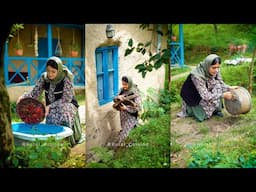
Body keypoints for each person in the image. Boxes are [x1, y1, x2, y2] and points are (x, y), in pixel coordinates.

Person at [16, 56, 85, 146]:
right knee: (51, 115)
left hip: (67, 104)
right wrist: (23, 97)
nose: (50, 74)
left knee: (63, 112)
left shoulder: (66, 79)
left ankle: (66, 142)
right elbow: (35, 93)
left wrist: (49, 106)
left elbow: (66, 99)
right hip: (50, 106)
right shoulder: (44, 78)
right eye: (48, 71)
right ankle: (53, 142)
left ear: (59, 70)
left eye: (53, 72)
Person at [177, 54, 236, 122]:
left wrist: (229, 88)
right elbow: (206, 96)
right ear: (207, 65)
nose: (216, 70)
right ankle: (194, 111)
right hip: (194, 96)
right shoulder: (197, 75)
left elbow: (220, 83)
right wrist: (223, 95)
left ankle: (216, 110)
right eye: (214, 68)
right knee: (205, 114)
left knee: (217, 85)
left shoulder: (216, 70)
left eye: (218, 67)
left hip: (206, 91)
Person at [113, 76, 141, 143]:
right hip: (123, 115)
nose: (124, 86)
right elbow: (115, 99)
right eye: (123, 84)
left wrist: (126, 108)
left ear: (130, 83)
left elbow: (138, 107)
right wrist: (117, 98)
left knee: (124, 134)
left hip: (131, 116)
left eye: (125, 84)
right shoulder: (122, 90)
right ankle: (133, 142)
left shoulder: (135, 92)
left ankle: (115, 149)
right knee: (128, 130)